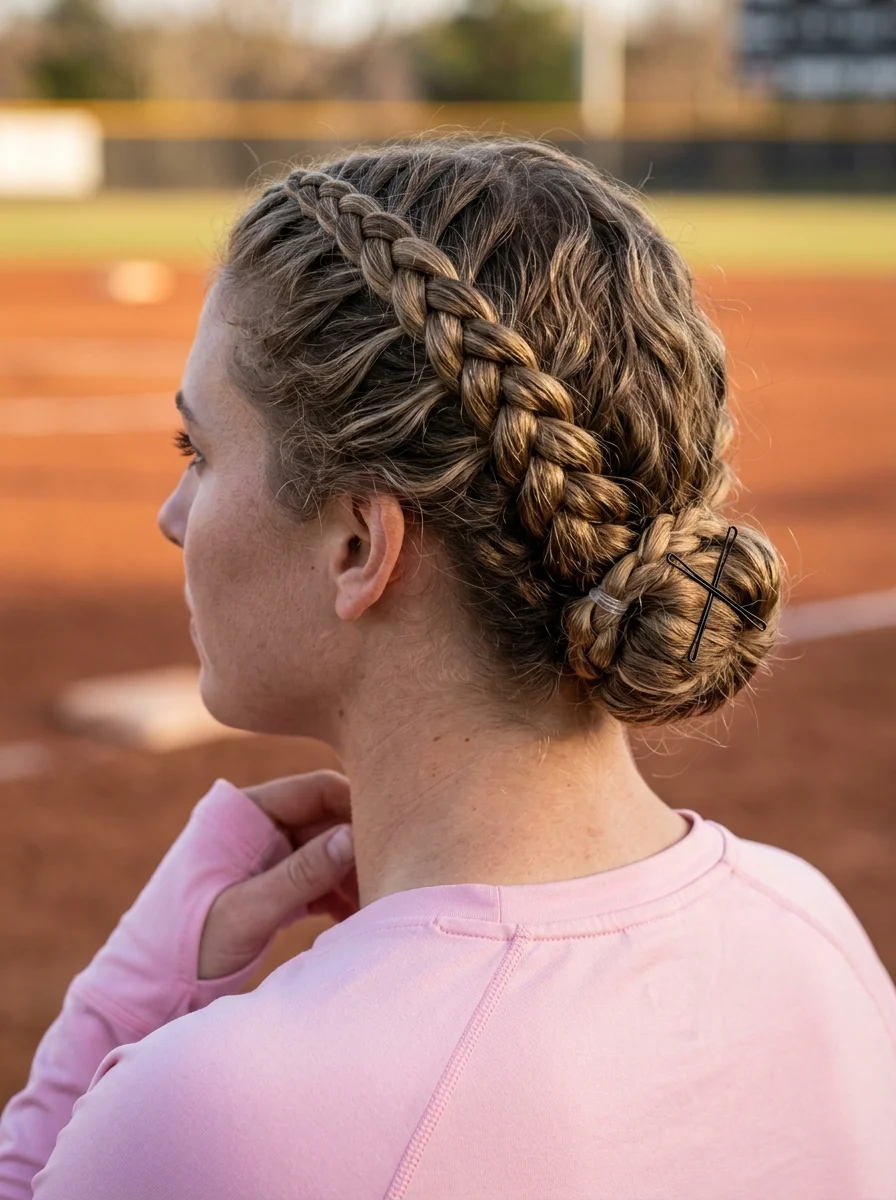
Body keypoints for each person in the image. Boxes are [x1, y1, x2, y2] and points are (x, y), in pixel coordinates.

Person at [1, 137, 894, 1199]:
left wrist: (134, 989)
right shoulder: (810, 930)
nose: (171, 515)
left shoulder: (219, 1113)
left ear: (357, 546)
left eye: (198, 454)